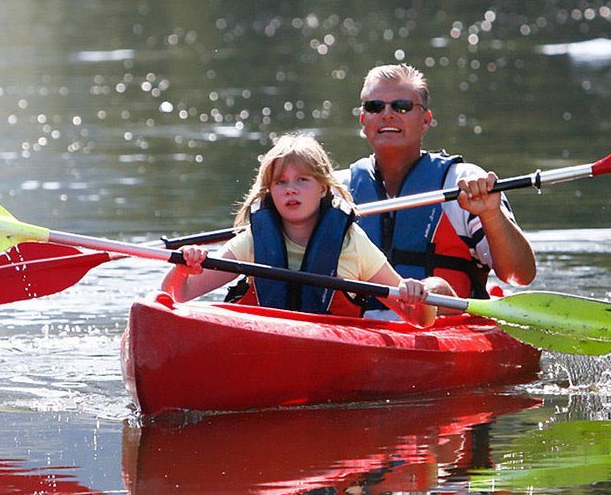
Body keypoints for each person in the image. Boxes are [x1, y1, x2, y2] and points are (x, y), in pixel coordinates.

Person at [161, 133, 439, 327]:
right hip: (263, 348)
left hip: (331, 353)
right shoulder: (253, 242)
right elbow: (176, 296)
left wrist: (416, 293)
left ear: (323, 188)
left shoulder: (351, 244)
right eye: (281, 182)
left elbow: (419, 320)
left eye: (302, 179)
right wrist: (183, 268)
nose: (291, 189)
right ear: (270, 191)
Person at [344, 64, 537, 317]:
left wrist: (491, 215)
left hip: (447, 326)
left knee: (435, 288)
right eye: (374, 107)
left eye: (401, 106)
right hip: (354, 331)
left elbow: (519, 275)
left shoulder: (463, 183)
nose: (387, 114)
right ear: (363, 120)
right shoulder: (337, 190)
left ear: (425, 120)